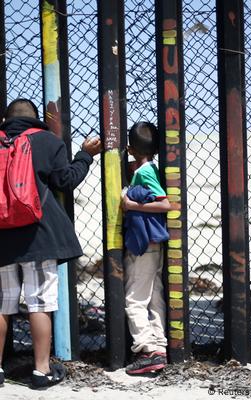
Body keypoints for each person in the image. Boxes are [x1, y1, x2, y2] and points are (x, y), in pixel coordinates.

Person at [0, 99, 101, 388]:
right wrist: (84, 155)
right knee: (39, 302)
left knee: (3, 302)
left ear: (7, 118)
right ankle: (41, 371)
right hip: (39, 235)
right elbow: (65, 181)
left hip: (2, 235)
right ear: (35, 118)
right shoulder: (46, 141)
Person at [122, 121, 171, 375]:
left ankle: (146, 349)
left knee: (134, 299)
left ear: (130, 149)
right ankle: (159, 347)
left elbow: (164, 204)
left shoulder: (145, 172)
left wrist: (131, 205)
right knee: (154, 297)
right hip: (155, 243)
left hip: (143, 245)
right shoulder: (150, 168)